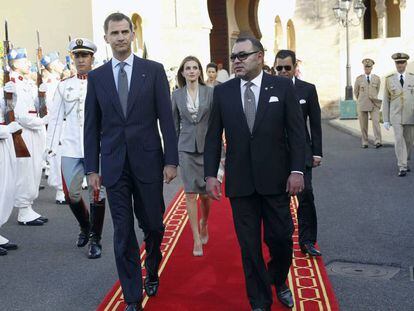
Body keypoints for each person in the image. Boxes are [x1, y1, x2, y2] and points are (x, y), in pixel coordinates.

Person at [84, 13, 178, 311]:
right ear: (106, 38)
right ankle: (132, 297)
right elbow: (91, 125)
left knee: (153, 224)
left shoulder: (153, 71)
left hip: (149, 162)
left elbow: (167, 119)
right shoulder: (97, 77)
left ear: (133, 34)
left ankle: (152, 266)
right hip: (114, 166)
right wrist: (91, 167)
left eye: (125, 32)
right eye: (115, 33)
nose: (121, 37)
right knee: (122, 232)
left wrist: (171, 160)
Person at [204, 37, 306, 310]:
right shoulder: (223, 92)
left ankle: (279, 279)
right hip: (241, 184)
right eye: (234, 56)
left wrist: (297, 170)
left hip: (276, 180)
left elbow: (297, 133)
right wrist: (211, 175)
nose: (236, 60)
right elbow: (213, 136)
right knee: (249, 248)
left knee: (281, 239)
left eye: (242, 55)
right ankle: (259, 301)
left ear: (259, 57)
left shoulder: (282, 87)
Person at [46, 38, 106, 259]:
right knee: (72, 194)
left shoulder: (102, 83)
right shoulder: (64, 86)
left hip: (96, 147)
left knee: (97, 193)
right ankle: (85, 225)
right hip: (70, 145)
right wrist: (50, 147)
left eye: (85, 56)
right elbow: (55, 118)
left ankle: (95, 239)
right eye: (77, 56)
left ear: (92, 58)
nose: (81, 60)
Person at [274, 49, 323, 257]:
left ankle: (307, 241)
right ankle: (283, 240)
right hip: (276, 153)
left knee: (306, 196)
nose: (283, 71)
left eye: (287, 67)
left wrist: (317, 152)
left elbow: (315, 123)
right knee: (279, 200)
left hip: (302, 152)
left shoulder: (307, 90)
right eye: (279, 68)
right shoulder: (268, 88)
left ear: (295, 68)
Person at [172, 56, 214, 257]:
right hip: (186, 148)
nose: (191, 71)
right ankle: (196, 238)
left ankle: (204, 222)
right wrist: (171, 156)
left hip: (207, 148)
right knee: (190, 194)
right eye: (187, 68)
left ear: (200, 72)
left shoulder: (210, 92)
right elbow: (173, 126)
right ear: (182, 72)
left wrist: (220, 152)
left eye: (195, 67)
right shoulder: (176, 95)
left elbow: (216, 125)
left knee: (206, 194)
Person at [5, 48, 48, 226]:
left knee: (34, 169)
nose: (28, 63)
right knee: (26, 172)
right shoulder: (13, 83)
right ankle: (23, 209)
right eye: (24, 61)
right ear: (14, 64)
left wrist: (41, 94)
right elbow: (20, 115)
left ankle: (28, 207)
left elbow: (35, 105)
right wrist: (41, 121)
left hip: (33, 131)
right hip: (25, 132)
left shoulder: (26, 82)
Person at [383, 52, 414, 176]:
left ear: (406, 63)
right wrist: (385, 119)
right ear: (395, 64)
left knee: (409, 141)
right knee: (398, 140)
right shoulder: (389, 79)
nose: (400, 65)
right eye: (397, 63)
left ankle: (405, 160)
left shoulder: (413, 78)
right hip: (395, 115)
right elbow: (386, 100)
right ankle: (402, 166)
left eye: (402, 62)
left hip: (410, 115)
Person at [42, 51, 67, 204]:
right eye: (57, 62)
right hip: (58, 123)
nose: (61, 65)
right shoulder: (51, 84)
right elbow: (53, 107)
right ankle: (60, 191)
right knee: (57, 157)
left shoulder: (60, 81)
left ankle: (66, 188)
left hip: (65, 123)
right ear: (51, 66)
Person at [0, 94, 21, 255]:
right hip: (3, 134)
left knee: (5, 189)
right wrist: (7, 129)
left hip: (4, 142)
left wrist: (11, 98)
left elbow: (6, 109)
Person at [354, 58, 382, 148]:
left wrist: (371, 97)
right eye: (366, 67)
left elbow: (377, 90)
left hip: (374, 104)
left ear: (372, 68)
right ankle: (365, 142)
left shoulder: (377, 79)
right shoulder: (359, 79)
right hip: (362, 104)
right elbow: (356, 92)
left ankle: (378, 141)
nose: (367, 69)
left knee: (376, 122)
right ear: (363, 68)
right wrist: (361, 99)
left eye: (369, 67)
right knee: (363, 124)